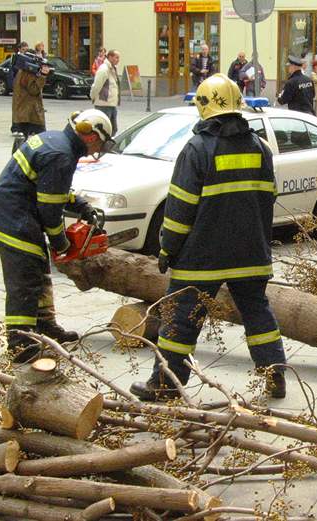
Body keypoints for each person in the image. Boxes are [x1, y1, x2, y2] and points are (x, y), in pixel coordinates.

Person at [129, 73, 287, 402]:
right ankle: (275, 376)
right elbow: (267, 199)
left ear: (203, 107)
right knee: (258, 313)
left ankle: (166, 383)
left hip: (202, 258)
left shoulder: (197, 149)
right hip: (250, 254)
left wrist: (167, 249)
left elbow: (179, 209)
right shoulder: (260, 148)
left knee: (181, 319)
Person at [0, 109, 115, 362]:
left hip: (19, 213)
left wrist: (81, 205)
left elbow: (52, 189)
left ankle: (44, 326)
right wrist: (62, 243)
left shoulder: (58, 142)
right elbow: (49, 210)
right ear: (91, 136)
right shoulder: (61, 154)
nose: (98, 148)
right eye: (100, 142)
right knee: (25, 284)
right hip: (15, 219)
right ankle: (20, 344)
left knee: (39, 274)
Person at [12, 53, 50, 138]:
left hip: (24, 112)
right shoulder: (28, 73)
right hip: (31, 114)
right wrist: (43, 76)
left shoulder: (21, 72)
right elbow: (33, 90)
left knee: (24, 141)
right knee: (41, 139)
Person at [90, 49, 121, 136]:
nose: (118, 60)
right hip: (104, 103)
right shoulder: (104, 69)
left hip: (111, 103)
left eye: (119, 58)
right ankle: (102, 146)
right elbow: (96, 85)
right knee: (104, 129)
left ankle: (108, 145)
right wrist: (93, 96)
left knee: (113, 129)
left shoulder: (112, 68)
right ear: (110, 57)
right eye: (116, 57)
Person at [9, 41, 29, 134]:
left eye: (26, 49)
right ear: (19, 49)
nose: (25, 51)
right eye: (23, 49)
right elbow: (12, 70)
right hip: (17, 84)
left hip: (25, 85)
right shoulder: (15, 57)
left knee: (25, 108)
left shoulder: (28, 57)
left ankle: (24, 128)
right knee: (17, 107)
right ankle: (15, 128)